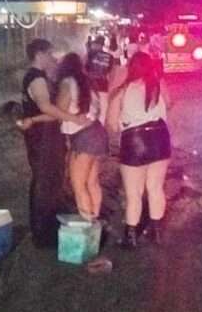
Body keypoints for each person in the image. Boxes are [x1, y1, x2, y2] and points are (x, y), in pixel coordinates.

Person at [17, 39, 89, 248]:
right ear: (39, 54)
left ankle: (46, 228)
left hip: (43, 135)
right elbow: (46, 107)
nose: (52, 57)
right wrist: (73, 118)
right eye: (49, 53)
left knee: (48, 180)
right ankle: (43, 231)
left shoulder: (39, 76)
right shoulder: (36, 78)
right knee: (45, 180)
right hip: (43, 137)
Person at [107, 52, 172, 249]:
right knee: (155, 188)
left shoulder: (122, 91)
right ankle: (156, 232)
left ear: (130, 68)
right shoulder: (158, 83)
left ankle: (131, 237)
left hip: (134, 141)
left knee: (134, 193)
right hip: (160, 137)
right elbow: (169, 104)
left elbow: (111, 124)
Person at [55, 53, 109, 221]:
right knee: (92, 182)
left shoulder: (67, 83)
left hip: (83, 136)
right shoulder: (89, 82)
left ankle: (87, 224)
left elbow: (59, 111)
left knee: (78, 185)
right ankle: (95, 219)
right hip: (97, 132)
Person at [87, 36, 115, 125]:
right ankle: (100, 127)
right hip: (103, 86)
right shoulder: (110, 57)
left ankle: (91, 126)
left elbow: (85, 69)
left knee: (92, 109)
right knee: (103, 110)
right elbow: (110, 72)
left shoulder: (90, 55)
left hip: (91, 85)